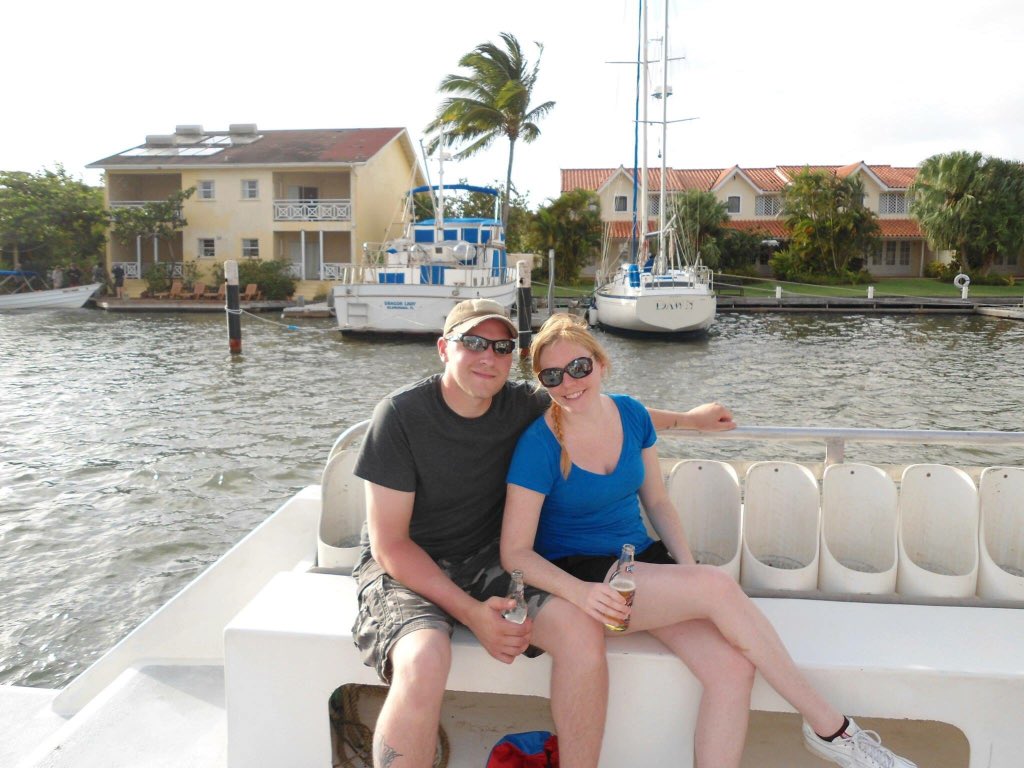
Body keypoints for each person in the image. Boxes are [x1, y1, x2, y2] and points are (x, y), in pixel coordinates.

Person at [501, 313, 917, 768]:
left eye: (579, 368)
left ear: (601, 364)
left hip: (639, 565)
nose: (568, 383)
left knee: (732, 669)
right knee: (716, 586)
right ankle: (832, 728)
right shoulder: (539, 444)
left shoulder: (632, 415)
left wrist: (684, 568)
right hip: (584, 579)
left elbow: (658, 503)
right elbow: (514, 551)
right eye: (552, 376)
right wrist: (584, 593)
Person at [352, 298, 735, 768]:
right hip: (407, 567)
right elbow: (391, 544)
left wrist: (690, 420)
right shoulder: (400, 416)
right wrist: (473, 614)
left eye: (501, 346)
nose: (487, 356)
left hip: (490, 558)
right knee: (424, 659)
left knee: (580, 631)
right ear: (443, 349)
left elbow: (604, 408)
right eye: (472, 342)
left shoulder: (520, 403)